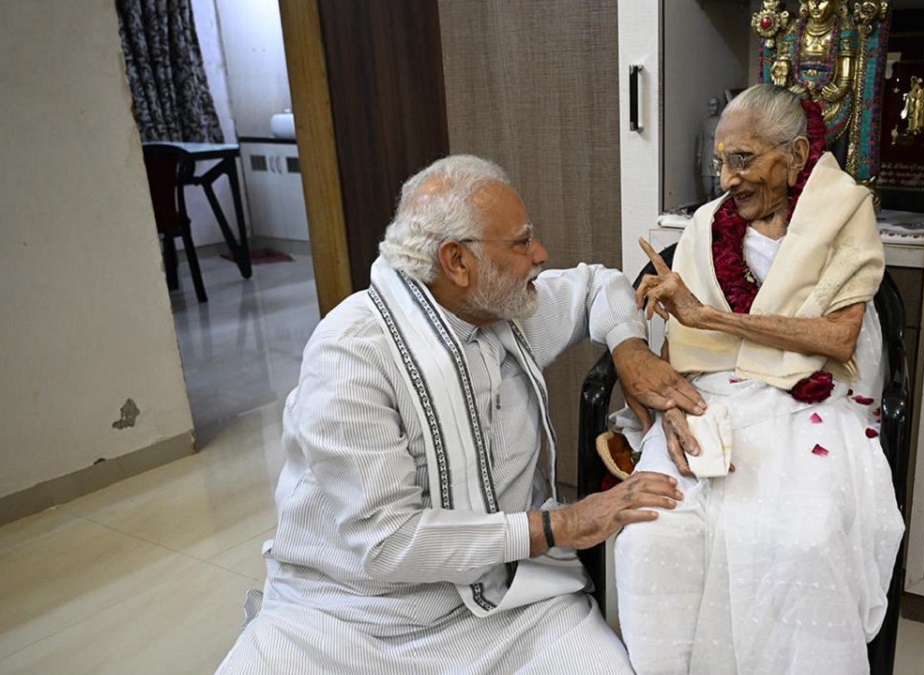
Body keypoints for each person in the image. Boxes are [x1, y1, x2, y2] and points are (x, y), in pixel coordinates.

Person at [216, 155, 707, 674]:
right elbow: (388, 543)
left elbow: (598, 287)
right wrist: (562, 523)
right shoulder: (351, 356)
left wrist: (630, 351)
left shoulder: (505, 309)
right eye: (522, 242)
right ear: (457, 261)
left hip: (514, 599)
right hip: (351, 615)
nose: (541, 254)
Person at [614, 84, 905, 674]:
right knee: (651, 536)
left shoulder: (844, 214)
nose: (727, 179)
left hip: (813, 398)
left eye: (743, 159)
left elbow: (838, 339)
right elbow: (678, 351)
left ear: (795, 156)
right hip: (711, 399)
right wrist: (670, 409)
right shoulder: (705, 226)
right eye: (720, 161)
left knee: (804, 541)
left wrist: (710, 316)